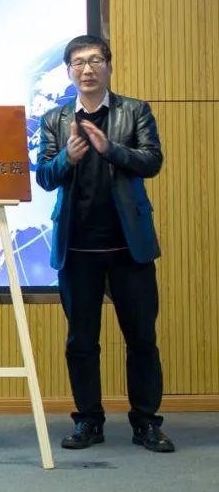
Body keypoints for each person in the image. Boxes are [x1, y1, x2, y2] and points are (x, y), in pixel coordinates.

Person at [37, 34, 174, 453]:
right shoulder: (55, 119)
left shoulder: (134, 110)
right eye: (79, 62)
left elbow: (152, 161)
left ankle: (146, 423)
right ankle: (88, 422)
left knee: (142, 339)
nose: (87, 69)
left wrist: (109, 148)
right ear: (68, 72)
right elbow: (44, 177)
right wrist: (69, 157)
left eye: (95, 60)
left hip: (128, 247)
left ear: (109, 66)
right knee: (81, 342)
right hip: (77, 249)